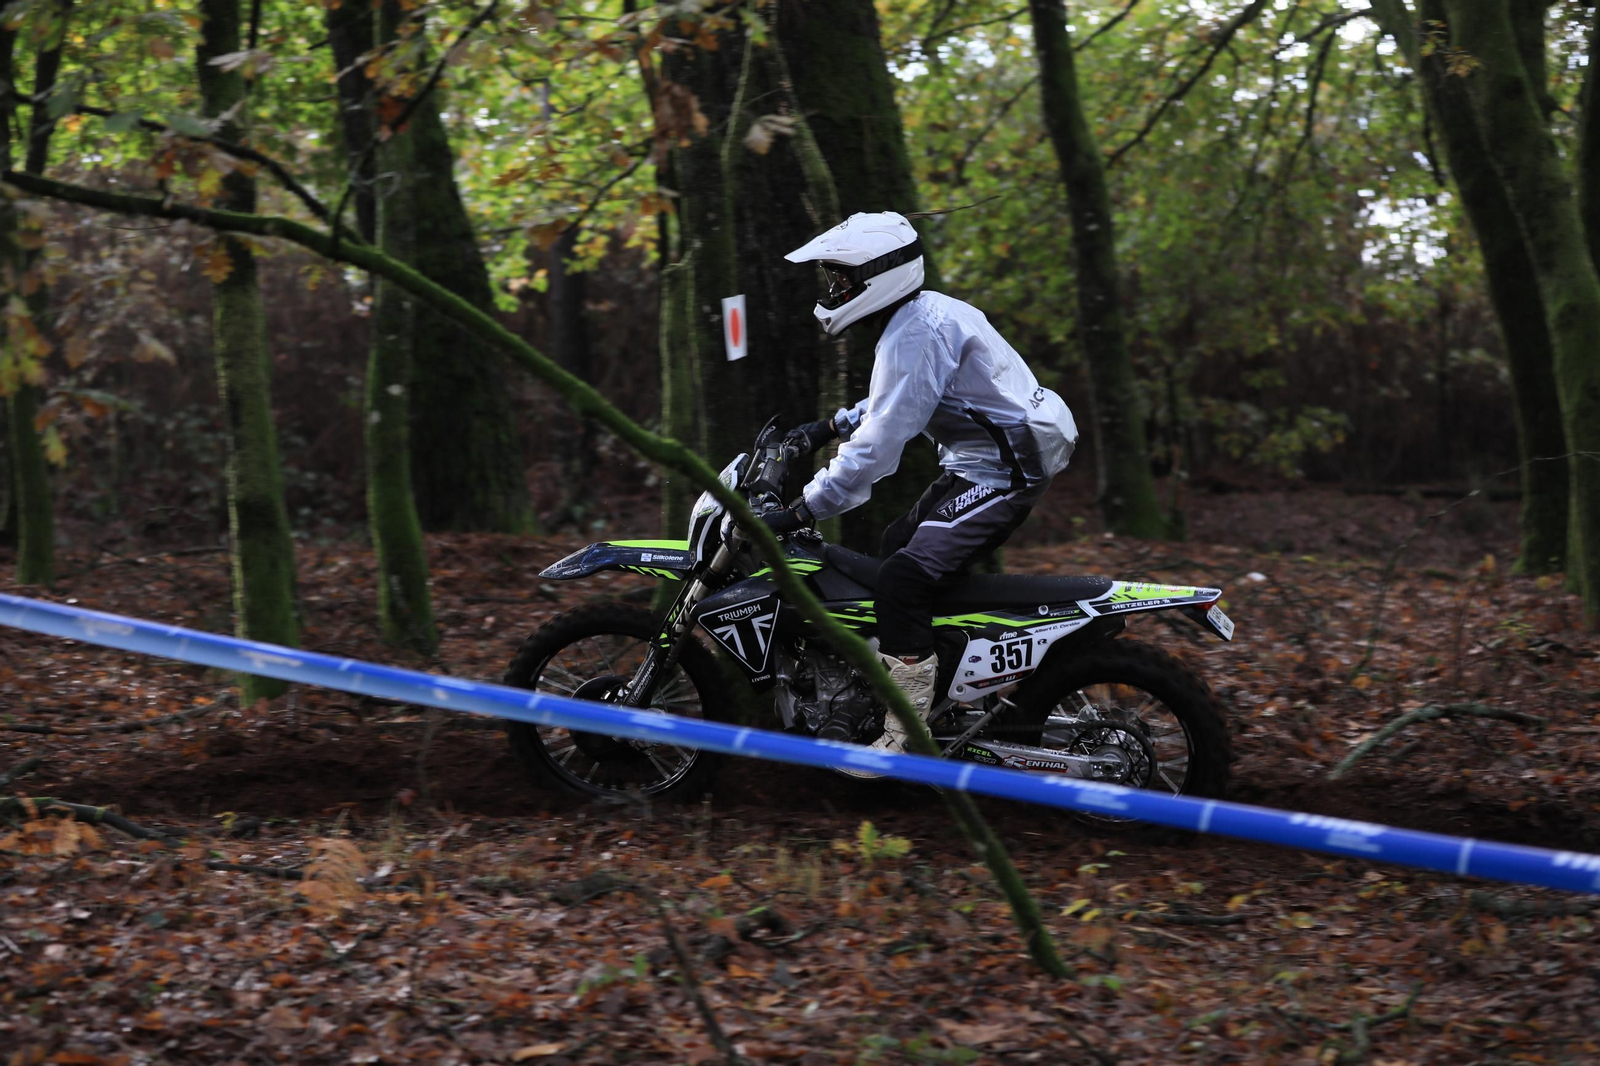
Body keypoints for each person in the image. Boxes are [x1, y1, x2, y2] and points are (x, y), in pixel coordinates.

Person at [761, 211, 1078, 754]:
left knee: (903, 579)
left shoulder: (916, 332)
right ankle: (949, 679)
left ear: (878, 276)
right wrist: (830, 425)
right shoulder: (924, 315)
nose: (835, 292)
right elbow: (902, 396)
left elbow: (879, 443)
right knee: (896, 545)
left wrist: (804, 508)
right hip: (982, 463)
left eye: (843, 281)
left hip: (1006, 473)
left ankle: (908, 731)